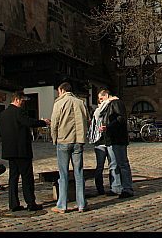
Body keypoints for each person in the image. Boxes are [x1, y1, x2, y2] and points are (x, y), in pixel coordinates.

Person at [0, 91, 49, 212]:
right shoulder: (19, 112)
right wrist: (43, 122)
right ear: (17, 99)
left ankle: (13, 204)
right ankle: (31, 203)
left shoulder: (3, 114)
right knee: (27, 177)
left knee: (13, 177)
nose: (23, 103)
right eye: (22, 101)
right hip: (21, 150)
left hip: (10, 150)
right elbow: (29, 122)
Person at [50, 82, 90, 213]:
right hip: (78, 140)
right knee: (79, 172)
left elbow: (54, 123)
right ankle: (81, 204)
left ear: (62, 90)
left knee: (63, 174)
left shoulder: (59, 103)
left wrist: (54, 138)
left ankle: (62, 205)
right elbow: (88, 120)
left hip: (64, 140)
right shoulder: (80, 102)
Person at [98, 88, 134, 199]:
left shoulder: (116, 103)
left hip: (118, 138)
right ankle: (116, 187)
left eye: (101, 98)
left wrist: (108, 127)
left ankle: (127, 188)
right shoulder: (108, 105)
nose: (100, 101)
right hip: (111, 138)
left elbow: (120, 118)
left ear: (107, 95)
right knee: (113, 164)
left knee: (122, 163)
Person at [91, 93, 113, 196]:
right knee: (100, 166)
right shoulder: (98, 110)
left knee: (112, 165)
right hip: (99, 142)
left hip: (109, 141)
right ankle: (100, 188)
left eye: (102, 98)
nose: (101, 101)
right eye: (99, 99)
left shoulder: (111, 108)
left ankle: (113, 186)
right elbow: (98, 116)